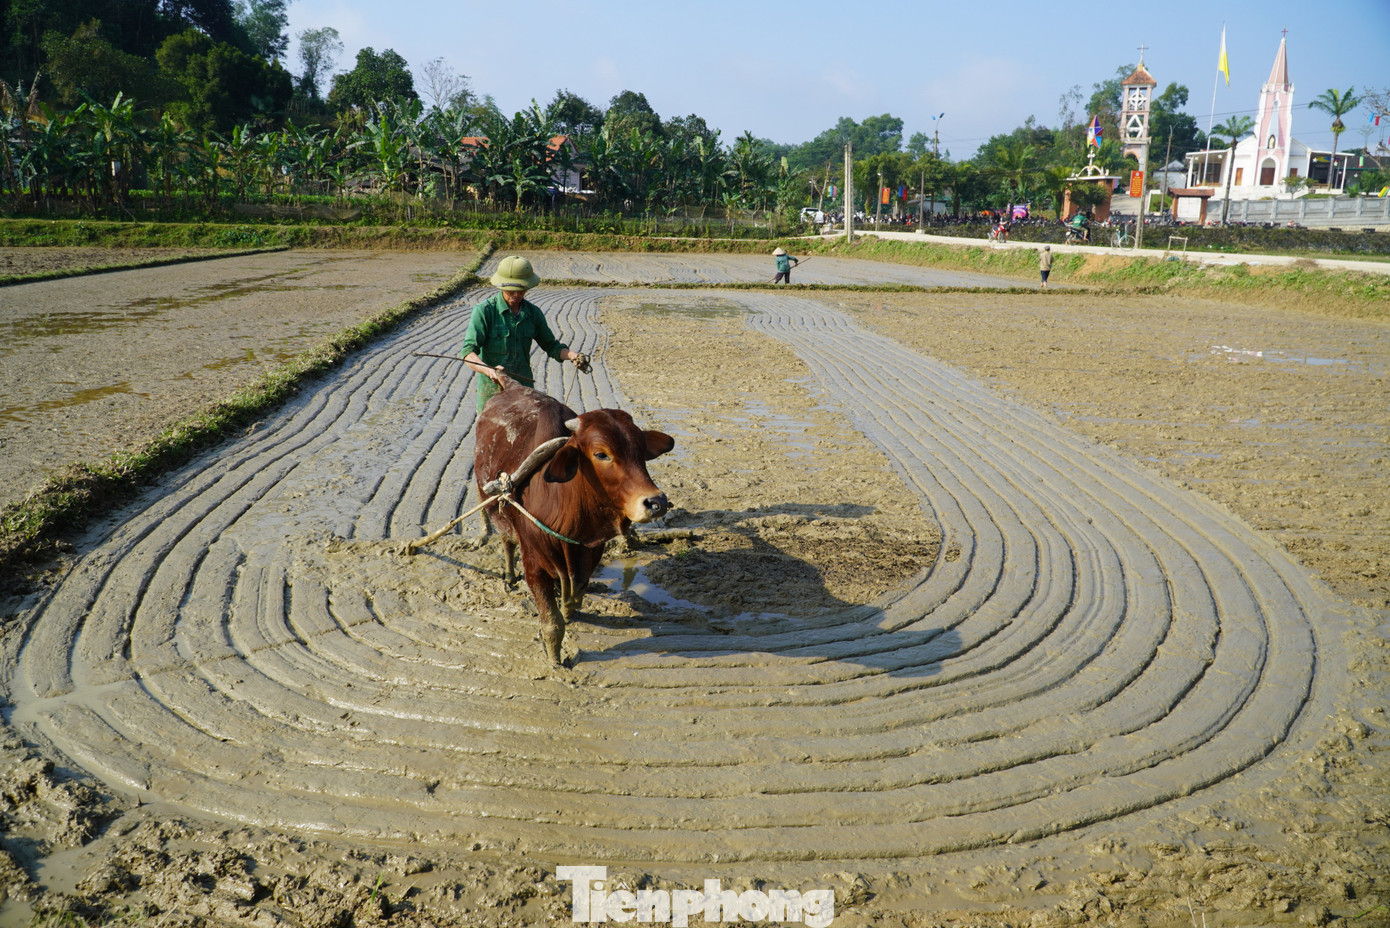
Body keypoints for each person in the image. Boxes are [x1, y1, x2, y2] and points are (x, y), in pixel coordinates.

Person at [460, 255, 589, 412]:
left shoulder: (533, 314)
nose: (516, 295)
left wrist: (572, 356)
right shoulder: (485, 312)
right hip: (493, 395)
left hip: (524, 392)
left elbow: (551, 346)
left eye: (521, 290)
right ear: (501, 286)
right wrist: (490, 370)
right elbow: (468, 352)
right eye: (511, 290)